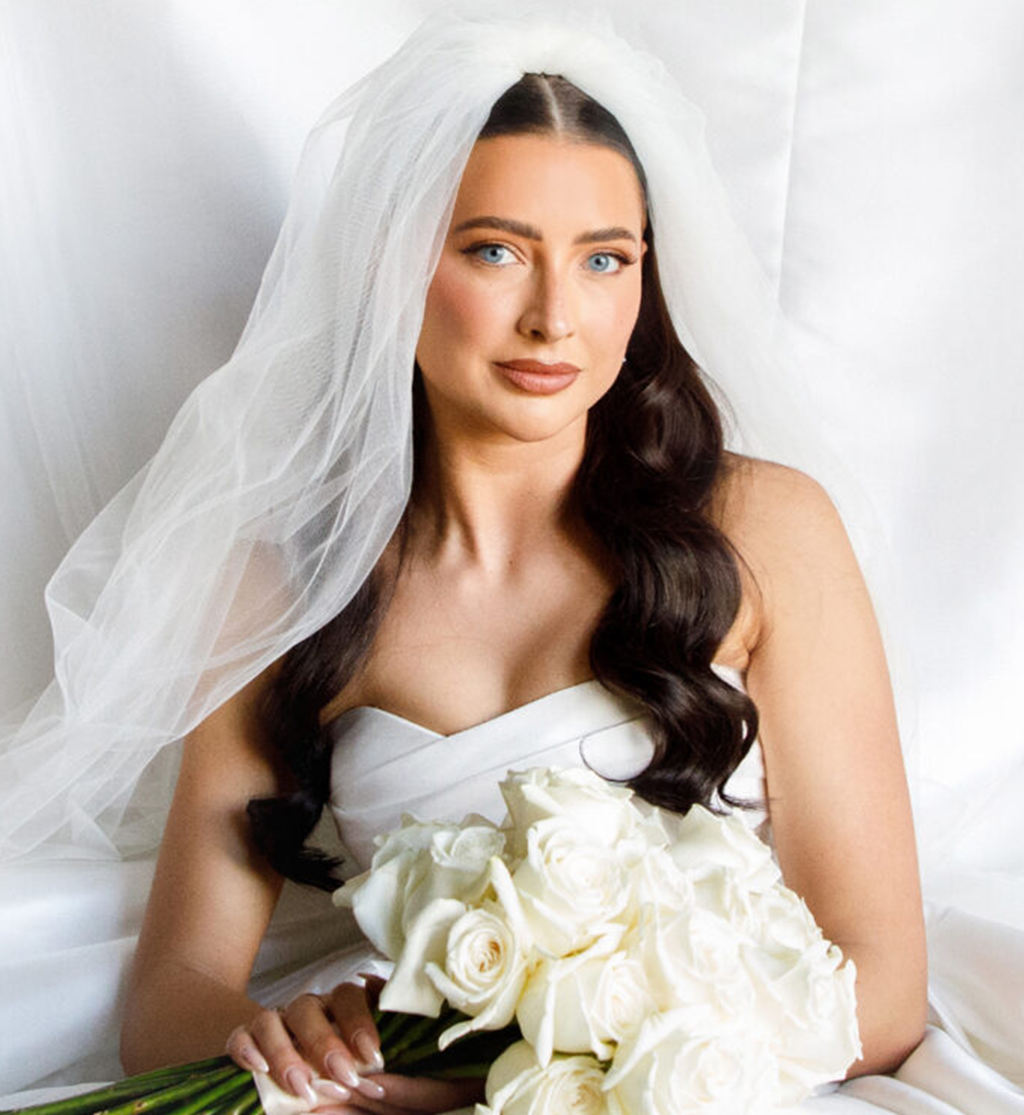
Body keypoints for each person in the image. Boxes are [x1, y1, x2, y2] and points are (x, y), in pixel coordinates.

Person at [3, 10, 1022, 1115]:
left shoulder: (762, 531)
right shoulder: (285, 581)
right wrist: (283, 1042)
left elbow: (879, 990)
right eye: (495, 250)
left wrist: (510, 1079)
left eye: (602, 260)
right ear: (391, 264)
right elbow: (169, 997)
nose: (553, 317)